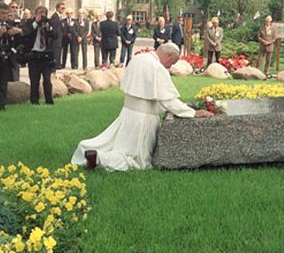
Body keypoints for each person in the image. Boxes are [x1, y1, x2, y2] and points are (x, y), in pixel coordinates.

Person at [70, 42, 213, 171]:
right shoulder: (157, 67)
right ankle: (100, 158)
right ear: (168, 55)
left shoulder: (138, 59)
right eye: (172, 62)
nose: (170, 66)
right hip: (144, 118)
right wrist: (192, 113)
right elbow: (168, 100)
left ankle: (93, 153)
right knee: (137, 160)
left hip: (127, 113)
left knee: (118, 144)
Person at [23, 6, 57, 105]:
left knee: (47, 79)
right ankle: (34, 101)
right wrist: (35, 23)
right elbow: (26, 33)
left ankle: (49, 101)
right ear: (35, 14)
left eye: (44, 13)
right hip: (34, 55)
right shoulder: (30, 22)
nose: (42, 15)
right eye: (39, 13)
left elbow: (56, 35)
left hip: (46, 56)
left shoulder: (49, 22)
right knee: (34, 80)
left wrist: (48, 28)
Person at [6, 3, 24, 81]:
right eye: (12, 7)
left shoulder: (20, 21)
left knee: (15, 75)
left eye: (16, 7)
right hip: (5, 51)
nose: (15, 9)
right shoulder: (5, 19)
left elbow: (25, 32)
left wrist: (19, 30)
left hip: (16, 51)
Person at [50, 2, 65, 69]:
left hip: (59, 38)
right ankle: (55, 64)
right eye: (62, 8)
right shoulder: (54, 16)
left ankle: (58, 64)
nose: (63, 10)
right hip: (56, 38)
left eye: (64, 8)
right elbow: (54, 28)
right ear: (57, 8)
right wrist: (55, 36)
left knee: (58, 51)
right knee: (56, 51)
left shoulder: (59, 16)